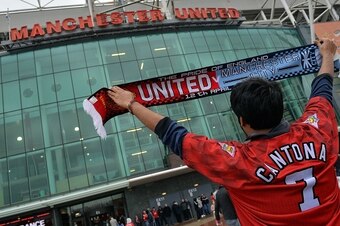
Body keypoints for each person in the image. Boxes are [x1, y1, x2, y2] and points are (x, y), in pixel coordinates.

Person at [108, 39, 339, 225]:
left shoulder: (239, 161)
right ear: (281, 107)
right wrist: (328, 53)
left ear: (242, 121)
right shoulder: (315, 130)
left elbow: (175, 135)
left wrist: (132, 104)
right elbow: (323, 88)